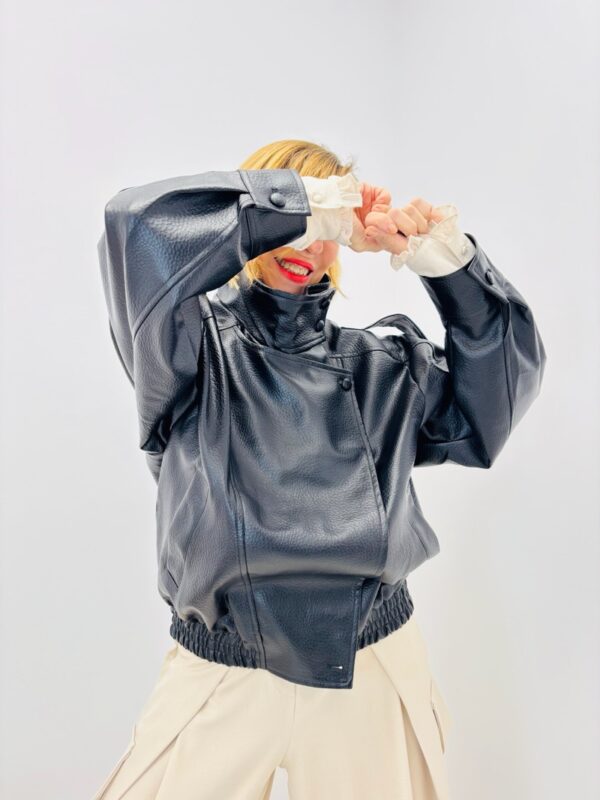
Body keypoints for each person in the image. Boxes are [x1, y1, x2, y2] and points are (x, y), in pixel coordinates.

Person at [92, 139, 547, 800]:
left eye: (329, 230)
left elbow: (493, 405)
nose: (310, 247)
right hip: (222, 669)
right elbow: (135, 227)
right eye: (300, 222)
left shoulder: (383, 366)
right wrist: (310, 208)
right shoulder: (189, 350)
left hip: (372, 666)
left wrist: (445, 262)